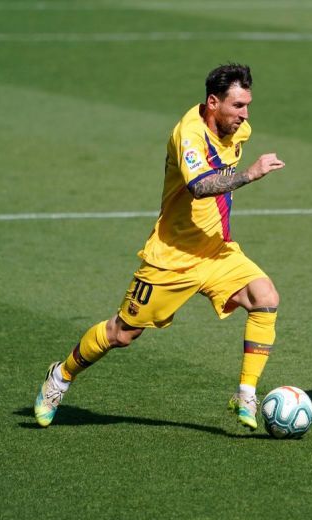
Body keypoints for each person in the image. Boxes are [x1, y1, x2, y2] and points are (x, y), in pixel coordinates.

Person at [33, 63, 286, 431]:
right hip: (171, 256)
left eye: (247, 105)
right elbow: (199, 186)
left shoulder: (239, 130)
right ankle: (60, 377)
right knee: (122, 333)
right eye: (237, 106)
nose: (245, 115)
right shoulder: (188, 134)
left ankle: (246, 393)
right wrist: (249, 174)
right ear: (213, 102)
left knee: (265, 297)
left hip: (216, 249)